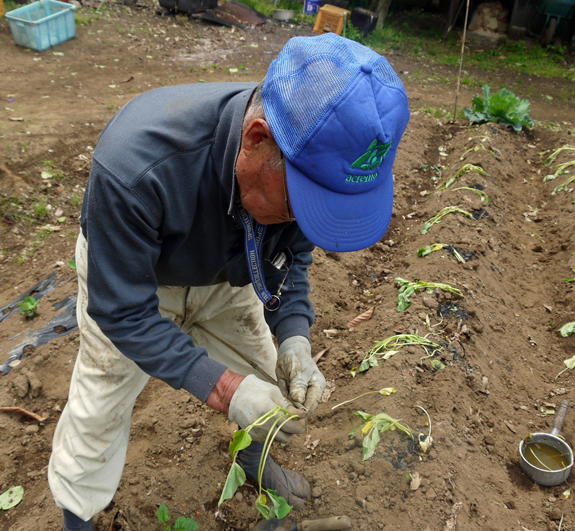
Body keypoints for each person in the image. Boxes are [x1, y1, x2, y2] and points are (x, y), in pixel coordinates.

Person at [48, 32, 410, 531]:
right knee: (100, 405)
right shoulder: (136, 167)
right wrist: (222, 387)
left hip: (229, 273)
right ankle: (77, 519)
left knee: (268, 377)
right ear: (257, 141)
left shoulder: (298, 148)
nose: (304, 222)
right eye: (302, 206)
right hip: (138, 283)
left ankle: (254, 463)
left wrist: (296, 337)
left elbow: (294, 256)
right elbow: (122, 312)